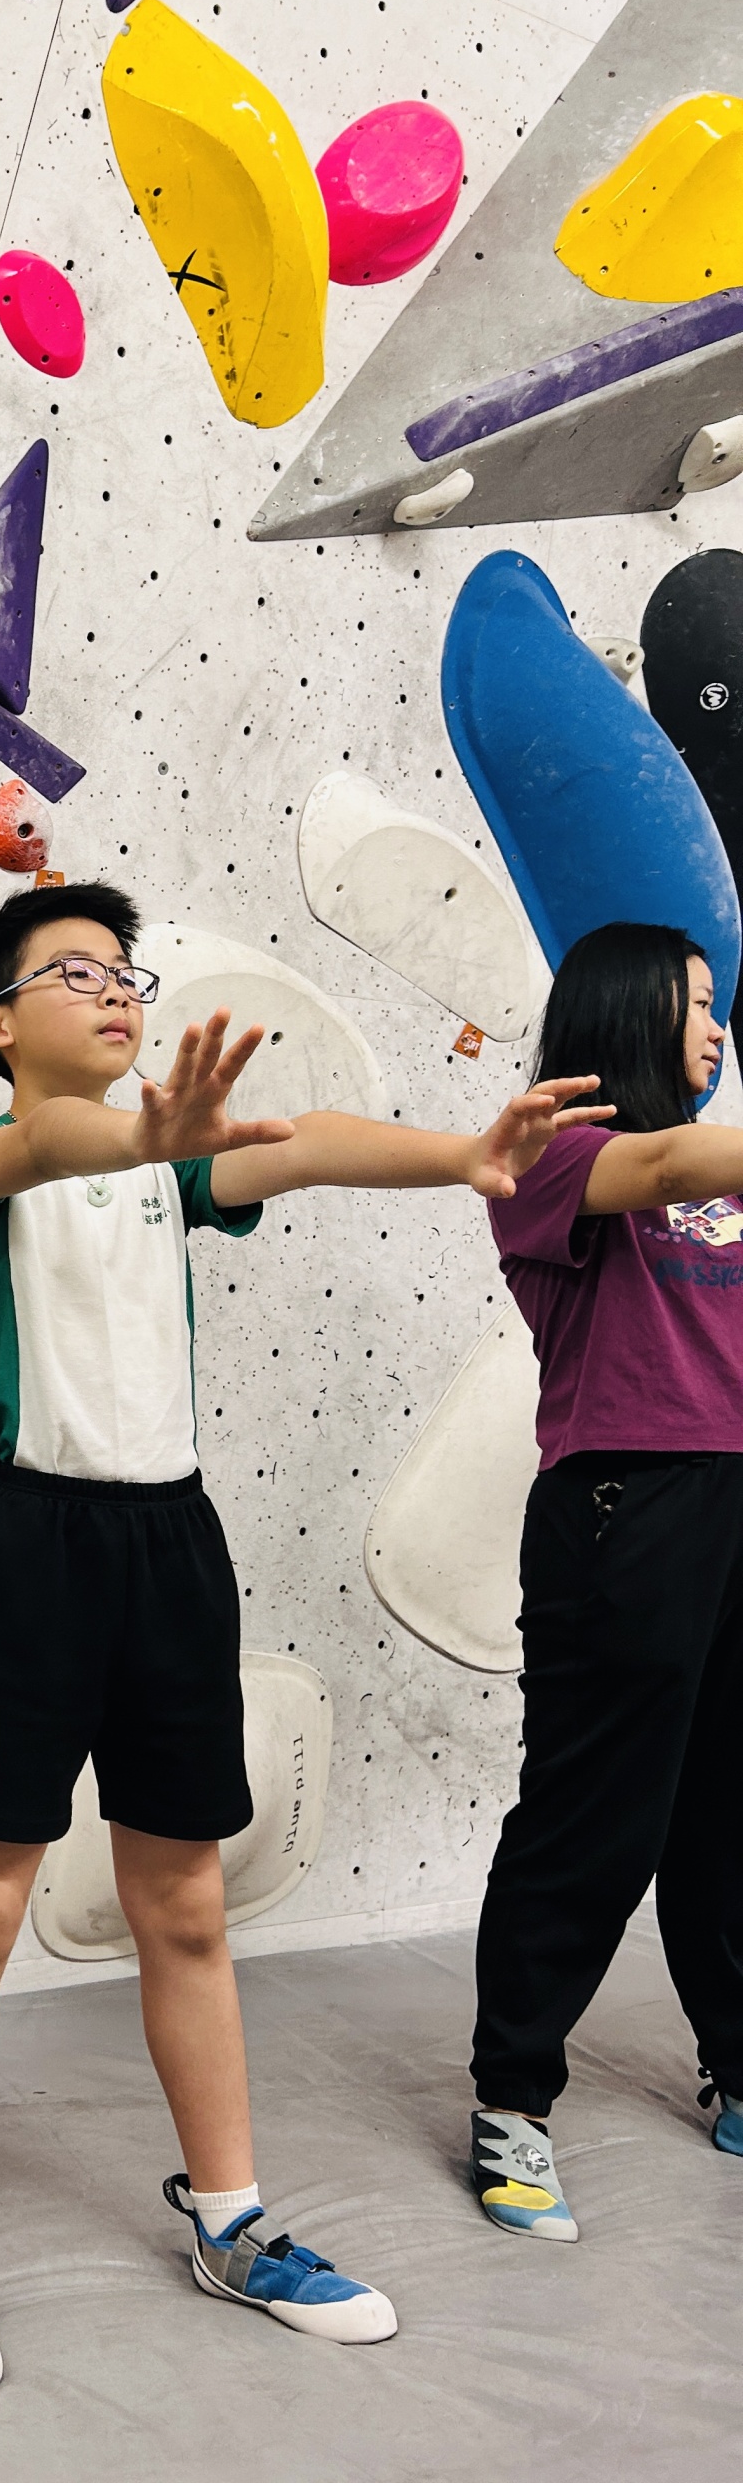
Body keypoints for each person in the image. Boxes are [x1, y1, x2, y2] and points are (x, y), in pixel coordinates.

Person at [0, 879, 606, 2391]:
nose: (114, 989)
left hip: (172, 1549)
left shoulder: (173, 1157)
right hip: (26, 1548)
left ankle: (232, 2220)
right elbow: (49, 1149)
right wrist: (152, 1137)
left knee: (189, 1909)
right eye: (74, 971)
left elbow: (308, 1142)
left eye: (124, 972)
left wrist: (466, 1156)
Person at [470, 920, 743, 2241]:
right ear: (629, 1010)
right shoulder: (553, 1155)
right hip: (626, 1505)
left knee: (724, 1809)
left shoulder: (717, 1176)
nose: (716, 1027)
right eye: (695, 1003)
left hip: (734, 1496)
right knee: (593, 1817)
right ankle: (512, 2099)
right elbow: (673, 1160)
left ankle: (738, 2062)